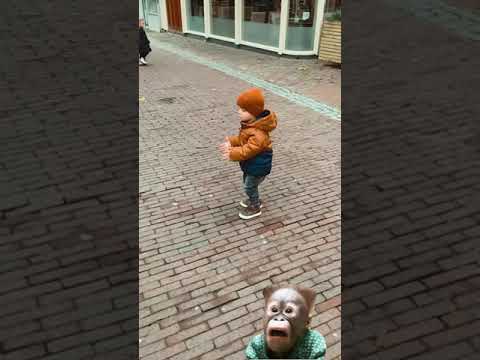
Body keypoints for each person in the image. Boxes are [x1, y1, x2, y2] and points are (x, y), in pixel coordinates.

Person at [220, 88, 278, 219]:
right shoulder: (250, 125)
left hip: (259, 165)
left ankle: (255, 206)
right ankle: (254, 199)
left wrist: (232, 153)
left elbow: (248, 150)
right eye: (240, 108)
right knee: (248, 183)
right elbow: (243, 140)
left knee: (249, 186)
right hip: (252, 164)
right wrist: (232, 142)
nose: (239, 112)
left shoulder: (258, 133)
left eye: (243, 110)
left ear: (253, 112)